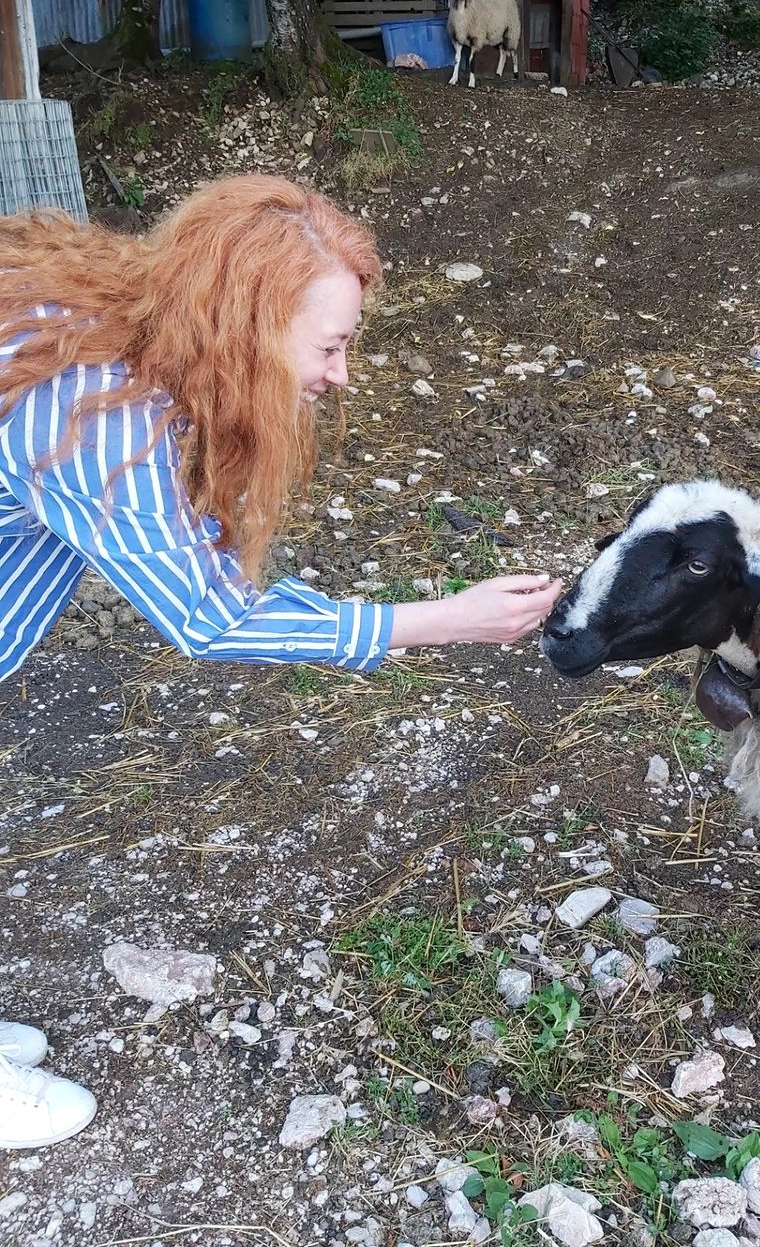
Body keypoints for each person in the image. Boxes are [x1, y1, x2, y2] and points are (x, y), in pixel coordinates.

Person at [0, 175, 563, 1149]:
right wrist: (446, 620)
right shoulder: (108, 426)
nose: (342, 376)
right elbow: (210, 619)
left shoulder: (95, 308)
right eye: (332, 346)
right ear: (247, 323)